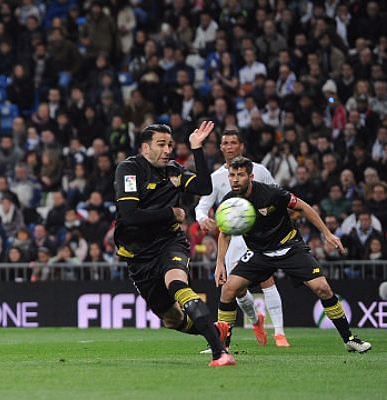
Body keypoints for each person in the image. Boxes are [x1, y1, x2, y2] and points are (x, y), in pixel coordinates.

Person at [215, 157, 371, 354]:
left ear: (251, 176)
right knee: (228, 290)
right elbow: (224, 232)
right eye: (232, 175)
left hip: (289, 247)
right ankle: (222, 348)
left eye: (240, 175)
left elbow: (303, 207)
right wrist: (220, 263)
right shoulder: (230, 202)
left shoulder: (272, 193)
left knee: (322, 288)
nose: (235, 179)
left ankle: (349, 339)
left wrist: (327, 233)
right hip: (259, 253)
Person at [114, 121, 235, 367]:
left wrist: (197, 149)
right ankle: (215, 332)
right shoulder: (129, 170)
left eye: (170, 144)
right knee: (172, 319)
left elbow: (204, 187)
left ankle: (220, 353)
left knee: (177, 283)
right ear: (145, 148)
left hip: (170, 243)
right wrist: (172, 213)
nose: (167, 149)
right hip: (139, 256)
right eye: (161, 144)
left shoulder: (174, 172)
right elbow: (130, 216)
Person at [195, 130, 289, 349]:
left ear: (241, 146)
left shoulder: (260, 171)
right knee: (233, 290)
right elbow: (202, 205)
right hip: (232, 238)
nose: (229, 146)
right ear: (220, 148)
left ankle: (280, 333)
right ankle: (256, 321)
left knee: (267, 279)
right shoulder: (217, 178)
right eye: (225, 143)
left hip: (258, 235)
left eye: (233, 142)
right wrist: (202, 218)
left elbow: (276, 196)